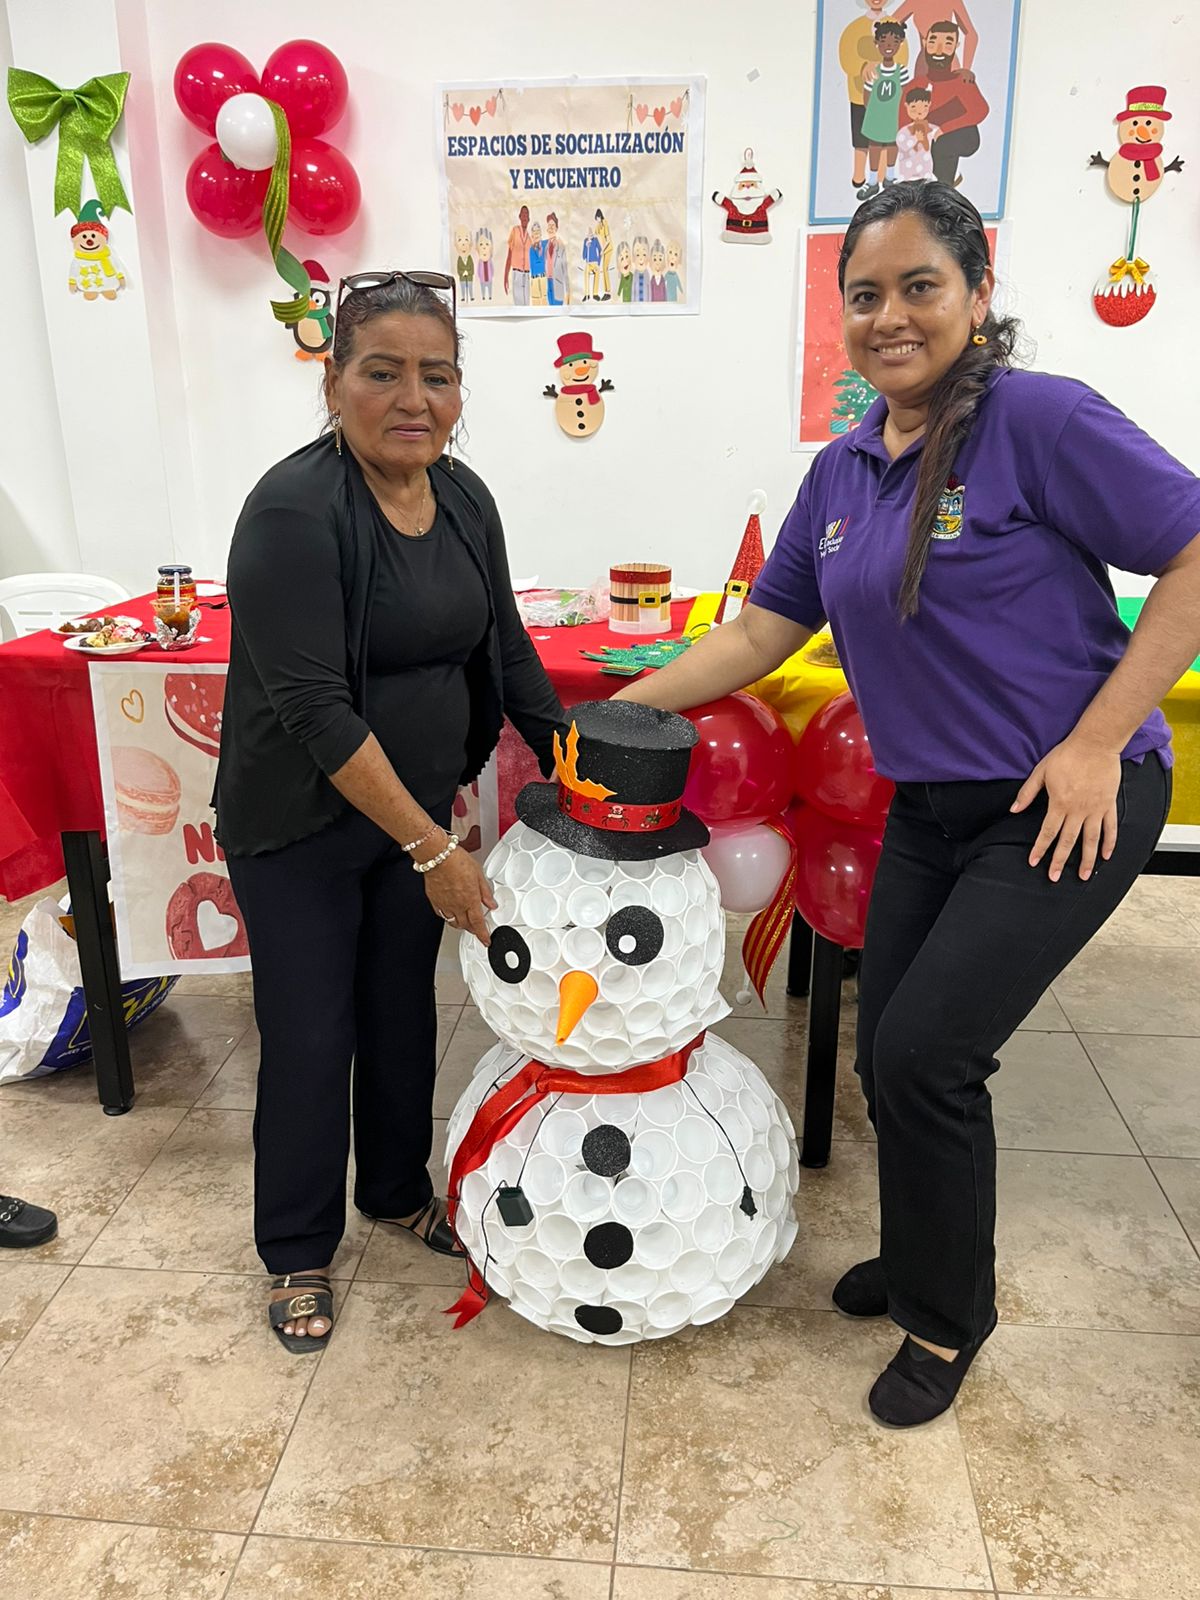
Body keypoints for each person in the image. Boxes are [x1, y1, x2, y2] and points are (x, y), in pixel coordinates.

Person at [615, 182, 1200, 1427]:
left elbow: (1196, 548)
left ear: (978, 295)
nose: (891, 316)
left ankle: (946, 1320)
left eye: (920, 286)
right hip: (930, 807)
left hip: (1065, 800)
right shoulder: (840, 470)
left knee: (931, 1055)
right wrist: (616, 712)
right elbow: (763, 632)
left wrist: (1100, 740)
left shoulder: (1040, 421)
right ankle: (927, 1249)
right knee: (886, 1049)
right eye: (866, 295)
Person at [215, 271, 565, 1353]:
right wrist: (431, 846)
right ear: (333, 385)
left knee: (401, 1010)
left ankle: (397, 1191)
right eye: (383, 373)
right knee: (312, 1032)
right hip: (300, 823)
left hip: (412, 819)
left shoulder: (463, 497)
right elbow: (316, 711)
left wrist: (572, 767)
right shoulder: (292, 512)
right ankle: (296, 1246)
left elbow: (504, 643)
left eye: (437, 375)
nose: (414, 399)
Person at [902, 20, 988, 189]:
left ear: (956, 46)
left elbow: (980, 110)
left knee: (943, 141)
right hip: (924, 144)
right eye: (933, 42)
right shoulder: (916, 84)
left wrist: (943, 129)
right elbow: (903, 121)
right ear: (925, 43)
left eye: (947, 44)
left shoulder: (962, 80)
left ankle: (945, 185)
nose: (939, 50)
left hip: (959, 138)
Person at [838, 0, 909, 196]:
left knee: (889, 141)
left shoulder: (894, 25)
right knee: (862, 139)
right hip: (858, 94)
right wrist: (863, 66)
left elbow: (903, 60)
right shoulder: (853, 28)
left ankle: (885, 176)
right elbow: (845, 57)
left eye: (894, 42)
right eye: (884, 41)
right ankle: (860, 175)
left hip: (891, 107)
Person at [857, 19, 908, 199]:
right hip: (876, 116)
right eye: (884, 41)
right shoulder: (873, 70)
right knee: (875, 146)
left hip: (894, 116)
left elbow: (905, 93)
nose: (889, 46)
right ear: (877, 43)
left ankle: (890, 177)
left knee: (893, 144)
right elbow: (867, 95)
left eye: (894, 42)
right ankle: (872, 181)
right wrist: (874, 111)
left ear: (900, 44)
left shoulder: (901, 71)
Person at [504, 205, 531, 305]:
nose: (524, 217)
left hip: (527, 275)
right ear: (519, 217)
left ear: (529, 219)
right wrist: (505, 277)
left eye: (526, 214)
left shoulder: (530, 238)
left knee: (526, 304)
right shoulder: (515, 231)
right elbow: (509, 255)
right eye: (522, 214)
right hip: (517, 274)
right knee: (518, 305)